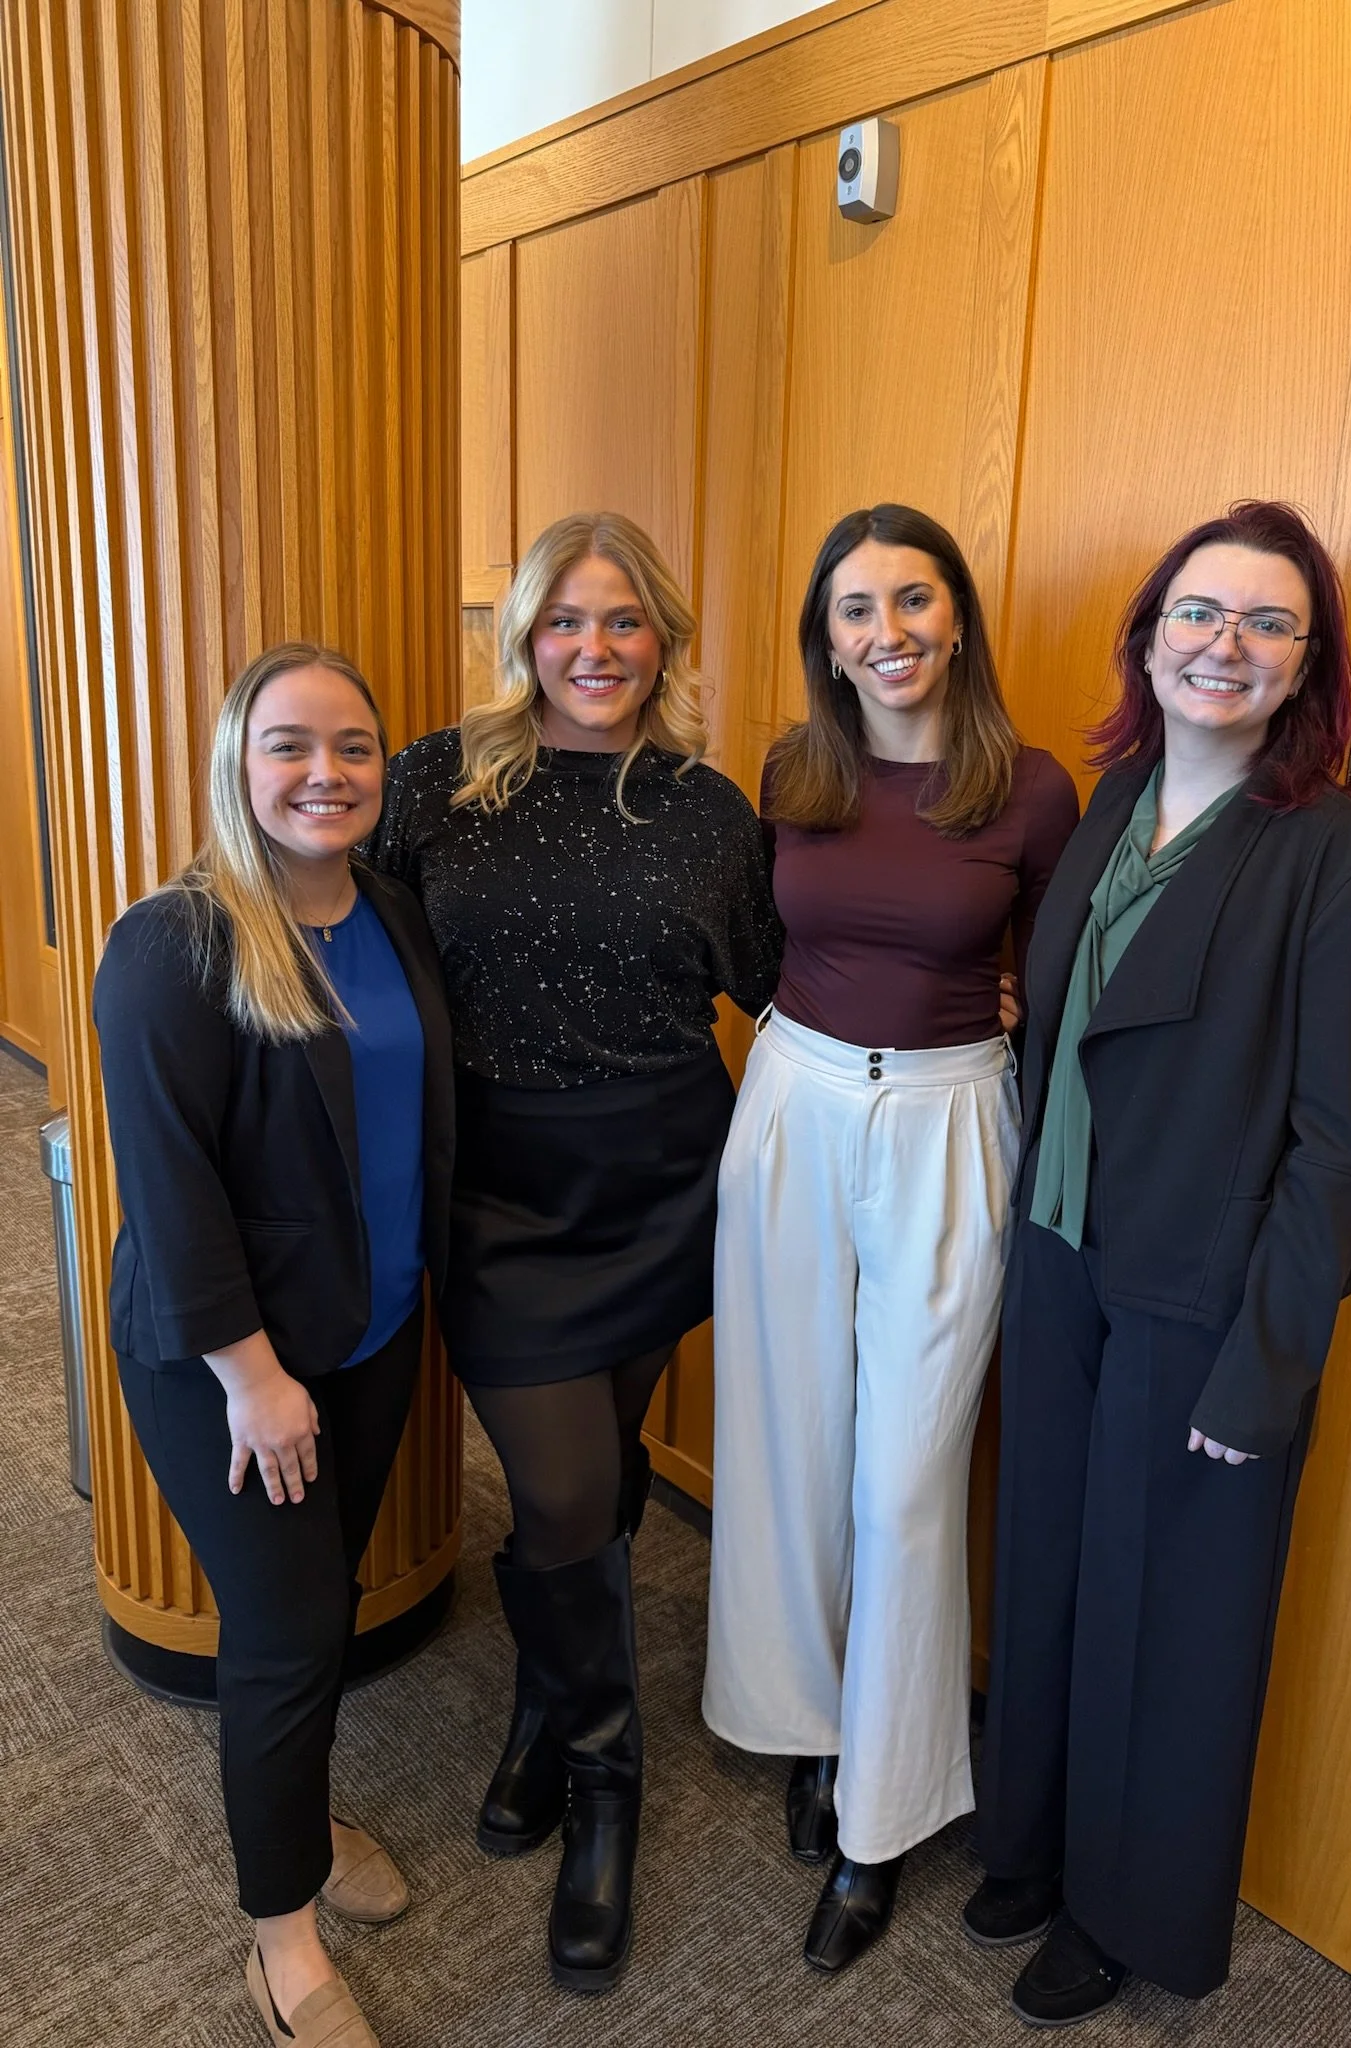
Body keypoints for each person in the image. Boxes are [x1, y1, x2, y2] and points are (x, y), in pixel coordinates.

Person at [966, 501, 1351, 2028]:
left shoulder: (1329, 858)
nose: (1225, 644)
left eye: (1267, 623)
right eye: (1199, 614)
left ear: (1307, 670)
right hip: (1062, 1263)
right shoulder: (1114, 797)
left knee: (1168, 1620)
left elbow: (1338, 1144)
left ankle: (1123, 1912)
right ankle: (1026, 1842)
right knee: (1048, 1572)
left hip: (1196, 1302)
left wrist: (1269, 1359)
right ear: (1150, 639)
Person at [367, 511, 781, 1993]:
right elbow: (340, 938)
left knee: (591, 1498)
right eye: (565, 624)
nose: (593, 652)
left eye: (623, 625)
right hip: (500, 1192)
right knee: (559, 1489)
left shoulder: (710, 809)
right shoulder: (437, 780)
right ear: (523, 635)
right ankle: (609, 1784)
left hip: (665, 1179)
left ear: (663, 639)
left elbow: (781, 988)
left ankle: (547, 1715)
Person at [703, 502, 1080, 1974]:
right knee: (791, 1439)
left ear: (958, 615)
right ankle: (811, 1725)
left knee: (909, 1479)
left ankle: (881, 1817)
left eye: (912, 600)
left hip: (945, 1124)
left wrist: (994, 1020)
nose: (888, 633)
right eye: (855, 610)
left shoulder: (1032, 790)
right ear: (827, 639)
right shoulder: (794, 770)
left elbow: (1050, 985)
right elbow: (759, 941)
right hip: (794, 1105)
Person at [94, 644, 454, 2048]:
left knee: (325, 1605)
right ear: (240, 765)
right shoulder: (174, 944)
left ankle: (300, 1813)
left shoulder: (395, 917)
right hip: (233, 1366)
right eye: (291, 745)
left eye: (354, 746)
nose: (326, 773)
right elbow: (171, 1190)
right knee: (290, 1630)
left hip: (369, 1334)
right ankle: (280, 1943)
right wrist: (254, 1380)